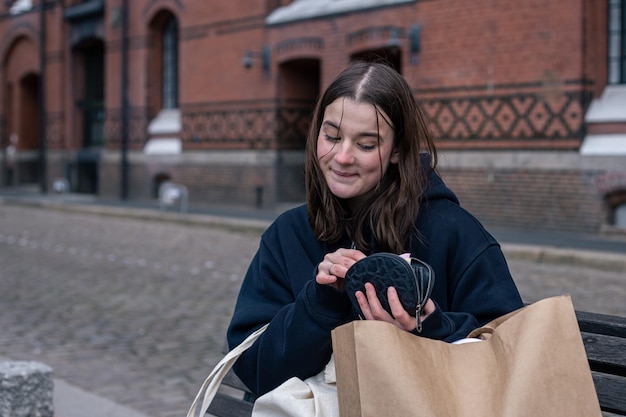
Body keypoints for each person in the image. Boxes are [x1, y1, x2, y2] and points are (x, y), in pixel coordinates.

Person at [226, 61, 523, 396]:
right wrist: (320, 304)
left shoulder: (455, 233)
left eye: (366, 144)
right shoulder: (287, 234)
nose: (342, 157)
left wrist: (431, 327)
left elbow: (512, 357)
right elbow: (254, 369)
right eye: (332, 136)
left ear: (397, 149)